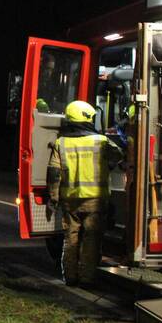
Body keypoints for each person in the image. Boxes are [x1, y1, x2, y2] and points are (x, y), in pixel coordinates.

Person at [47, 100, 123, 287]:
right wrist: (109, 165)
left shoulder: (61, 142)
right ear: (87, 118)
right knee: (91, 240)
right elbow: (119, 156)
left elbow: (54, 173)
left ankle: (70, 277)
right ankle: (87, 279)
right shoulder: (102, 141)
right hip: (95, 201)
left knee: (70, 238)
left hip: (70, 200)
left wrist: (53, 198)